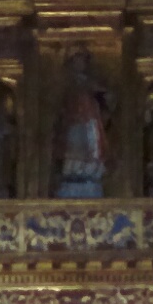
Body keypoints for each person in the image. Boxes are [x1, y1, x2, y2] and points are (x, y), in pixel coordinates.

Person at [52, 52, 111, 197]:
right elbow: (60, 103)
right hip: (74, 120)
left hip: (89, 118)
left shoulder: (89, 81)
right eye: (77, 62)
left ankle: (88, 170)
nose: (80, 65)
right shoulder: (68, 83)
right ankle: (74, 171)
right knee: (73, 145)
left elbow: (105, 95)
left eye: (82, 62)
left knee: (91, 146)